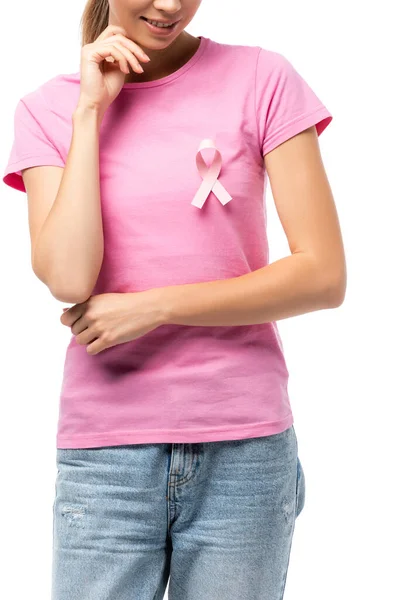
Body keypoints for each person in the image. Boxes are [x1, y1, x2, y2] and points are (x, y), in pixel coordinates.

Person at [2, 1, 346, 598]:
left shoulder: (262, 78)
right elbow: (67, 278)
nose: (168, 5)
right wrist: (90, 112)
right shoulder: (49, 108)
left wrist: (154, 306)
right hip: (106, 456)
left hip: (244, 450)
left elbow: (322, 276)